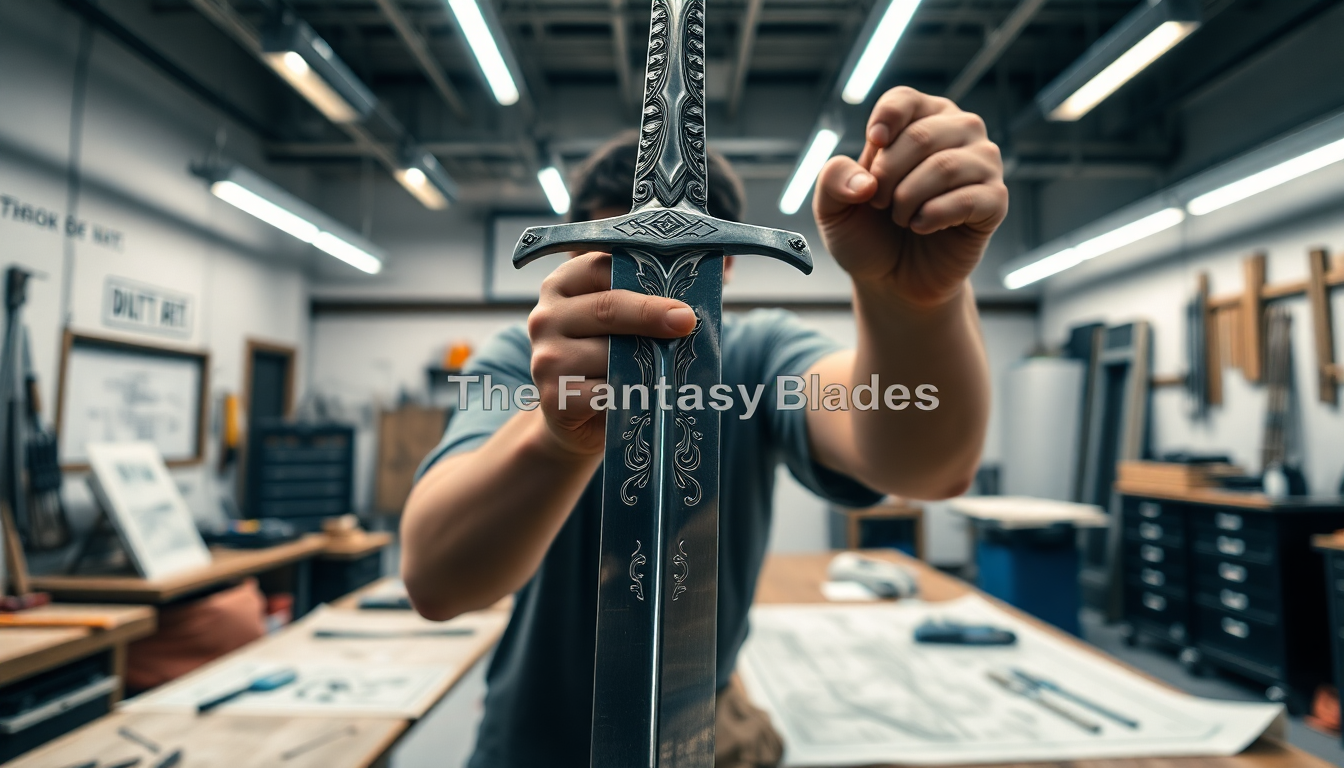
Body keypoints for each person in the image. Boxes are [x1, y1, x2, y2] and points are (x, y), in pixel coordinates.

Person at [402, 86, 1007, 767]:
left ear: (725, 262)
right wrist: (554, 434)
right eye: (615, 262)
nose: (644, 293)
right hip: (531, 742)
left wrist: (915, 308)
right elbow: (435, 578)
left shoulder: (755, 355)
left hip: (697, 737)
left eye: (679, 268)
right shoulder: (524, 361)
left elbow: (922, 458)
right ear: (570, 259)